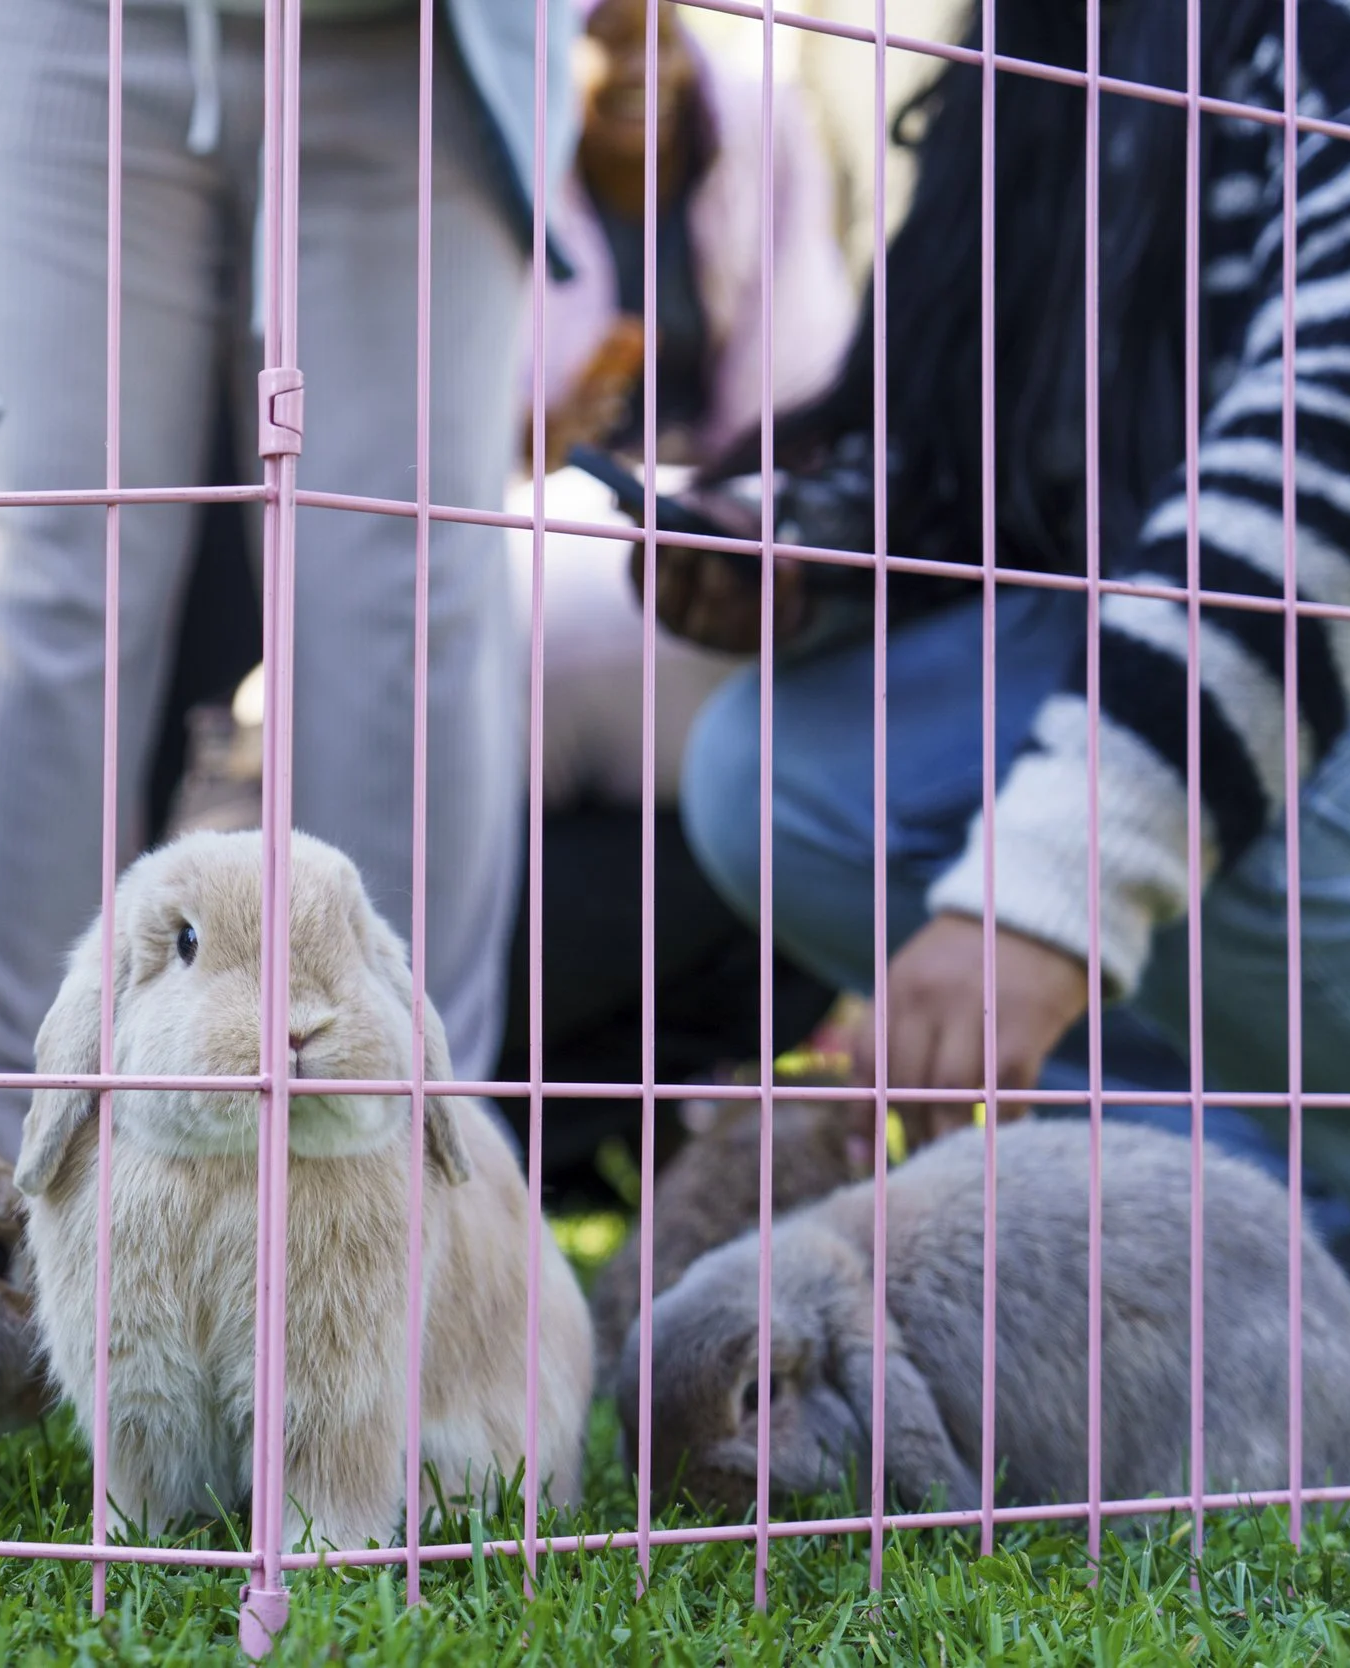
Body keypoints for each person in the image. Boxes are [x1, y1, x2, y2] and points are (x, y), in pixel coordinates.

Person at [655, 0, 1350, 1273]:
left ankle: (1336, 1182)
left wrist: (1054, 885)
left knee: (1250, 821)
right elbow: (992, 444)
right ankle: (1254, 1209)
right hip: (1259, 601)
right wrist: (806, 543)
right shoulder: (1045, 39)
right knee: (773, 776)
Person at [0, 0, 576, 1151]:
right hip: (36, 25)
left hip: (429, 40)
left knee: (404, 599)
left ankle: (406, 1206)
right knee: (24, 575)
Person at [494, 0, 856, 1201]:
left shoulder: (756, 120)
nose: (631, 68)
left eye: (652, 36)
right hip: (518, 548)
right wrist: (541, 445)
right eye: (597, 38)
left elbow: (804, 401)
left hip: (696, 552)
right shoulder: (485, 111)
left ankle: (630, 1138)